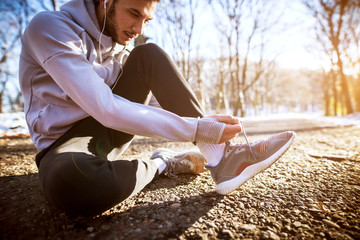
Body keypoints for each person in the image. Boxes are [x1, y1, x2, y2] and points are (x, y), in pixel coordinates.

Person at [19, 0, 295, 216]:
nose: (140, 29)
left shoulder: (123, 49)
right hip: (64, 147)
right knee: (74, 185)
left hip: (107, 133)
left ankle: (223, 158)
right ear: (106, 2)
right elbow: (104, 107)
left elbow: (150, 104)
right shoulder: (50, 28)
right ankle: (163, 163)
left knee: (148, 53)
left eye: (146, 19)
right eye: (134, 14)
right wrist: (197, 128)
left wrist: (209, 125)